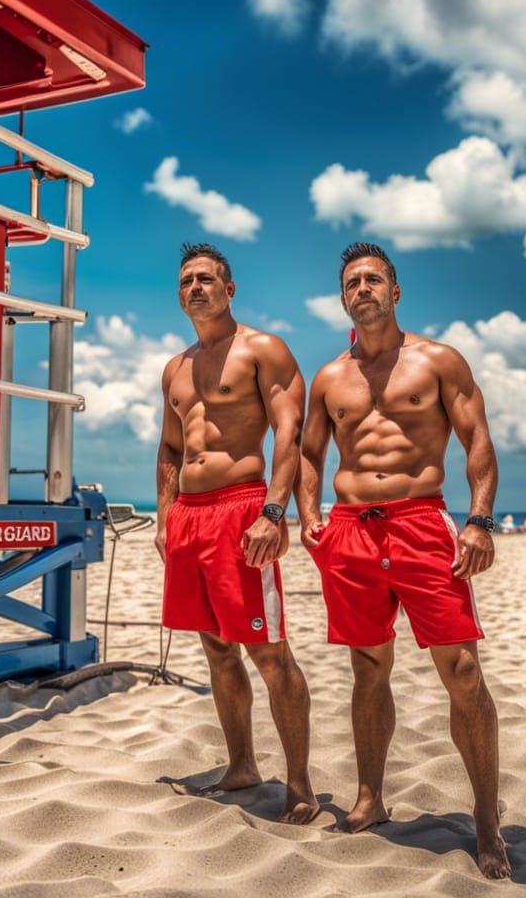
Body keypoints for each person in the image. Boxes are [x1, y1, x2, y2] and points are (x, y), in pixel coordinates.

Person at [297, 242, 511, 880]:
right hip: (350, 531)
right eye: (352, 283)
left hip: (422, 523)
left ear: (395, 292)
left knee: (464, 671)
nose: (362, 289)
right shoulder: (330, 377)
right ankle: (370, 796)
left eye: (374, 280)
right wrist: (309, 516)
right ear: (343, 299)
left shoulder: (438, 360)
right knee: (367, 668)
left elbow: (476, 438)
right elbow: (310, 453)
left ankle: (486, 821)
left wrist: (479, 520)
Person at [155, 242, 317, 824]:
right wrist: (164, 513)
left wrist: (275, 512)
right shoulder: (174, 368)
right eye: (186, 281)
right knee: (216, 647)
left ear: (230, 288)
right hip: (189, 518)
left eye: (206, 279)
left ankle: (299, 784)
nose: (195, 287)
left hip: (242, 509)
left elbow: (289, 432)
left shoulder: (261, 349)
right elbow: (171, 446)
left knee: (269, 653)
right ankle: (243, 764)